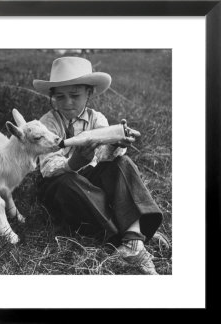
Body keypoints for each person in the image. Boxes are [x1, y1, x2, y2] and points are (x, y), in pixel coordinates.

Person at [33, 56, 163, 275]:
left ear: (89, 94)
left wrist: (116, 143)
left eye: (75, 96)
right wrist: (73, 163)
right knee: (68, 182)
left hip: (92, 180)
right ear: (52, 97)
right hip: (60, 186)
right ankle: (126, 234)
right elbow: (47, 168)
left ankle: (132, 240)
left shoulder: (97, 118)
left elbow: (104, 156)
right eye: (60, 97)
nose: (67, 103)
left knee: (122, 163)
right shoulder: (48, 122)